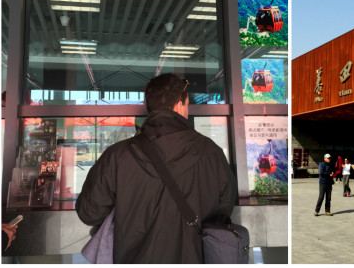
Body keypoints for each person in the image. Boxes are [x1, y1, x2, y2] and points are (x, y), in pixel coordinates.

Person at [76, 73, 237, 263]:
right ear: (179, 104)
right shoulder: (212, 152)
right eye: (187, 105)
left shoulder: (117, 155)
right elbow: (225, 206)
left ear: (149, 106)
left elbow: (88, 212)